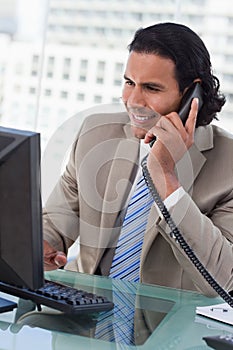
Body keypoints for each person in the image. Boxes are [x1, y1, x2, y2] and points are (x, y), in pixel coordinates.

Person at [43, 22, 233, 297]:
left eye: (152, 88)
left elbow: (224, 278)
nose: (132, 100)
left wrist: (166, 177)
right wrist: (43, 245)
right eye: (129, 83)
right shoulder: (96, 134)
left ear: (193, 95)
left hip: (169, 332)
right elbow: (56, 222)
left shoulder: (228, 164)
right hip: (80, 321)